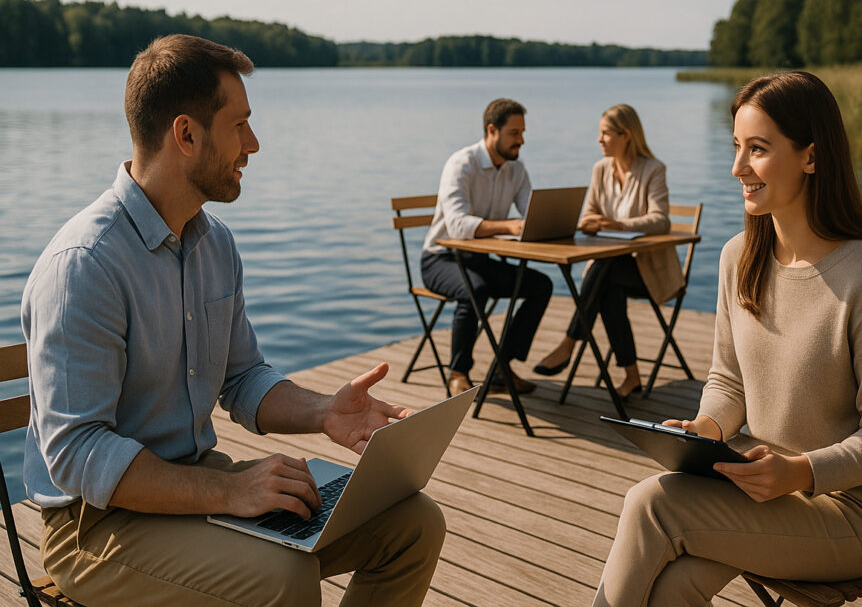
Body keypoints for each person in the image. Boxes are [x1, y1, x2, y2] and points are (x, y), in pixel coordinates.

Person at [21, 35, 446, 607]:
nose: (253, 144)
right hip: (94, 527)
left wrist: (324, 411)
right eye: (239, 124)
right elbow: (78, 454)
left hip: (198, 481)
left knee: (413, 523)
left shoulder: (214, 243)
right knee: (283, 577)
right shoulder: (84, 266)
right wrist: (229, 490)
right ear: (186, 135)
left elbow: (241, 377)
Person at [592, 71, 862, 606]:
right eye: (737, 147)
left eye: (758, 149)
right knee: (673, 588)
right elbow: (729, 382)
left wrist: (800, 471)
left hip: (850, 514)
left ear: (811, 157)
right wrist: (703, 430)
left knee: (653, 502)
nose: (738, 167)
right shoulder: (738, 258)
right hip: (755, 491)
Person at [532, 104, 683, 398]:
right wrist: (590, 222)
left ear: (626, 135)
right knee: (608, 283)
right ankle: (632, 377)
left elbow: (660, 220)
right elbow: (589, 213)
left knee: (605, 271)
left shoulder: (653, 169)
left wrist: (617, 224)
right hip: (610, 270)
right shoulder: (600, 169)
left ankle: (569, 343)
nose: (599, 139)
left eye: (605, 133)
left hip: (649, 272)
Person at [420, 98, 554, 398]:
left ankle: (501, 368)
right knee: (475, 289)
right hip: (439, 260)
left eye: (522, 132)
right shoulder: (461, 164)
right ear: (492, 130)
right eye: (515, 133)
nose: (522, 140)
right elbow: (457, 226)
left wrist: (554, 222)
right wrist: (508, 226)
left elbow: (530, 213)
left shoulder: (516, 169)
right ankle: (458, 372)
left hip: (479, 260)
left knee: (541, 285)